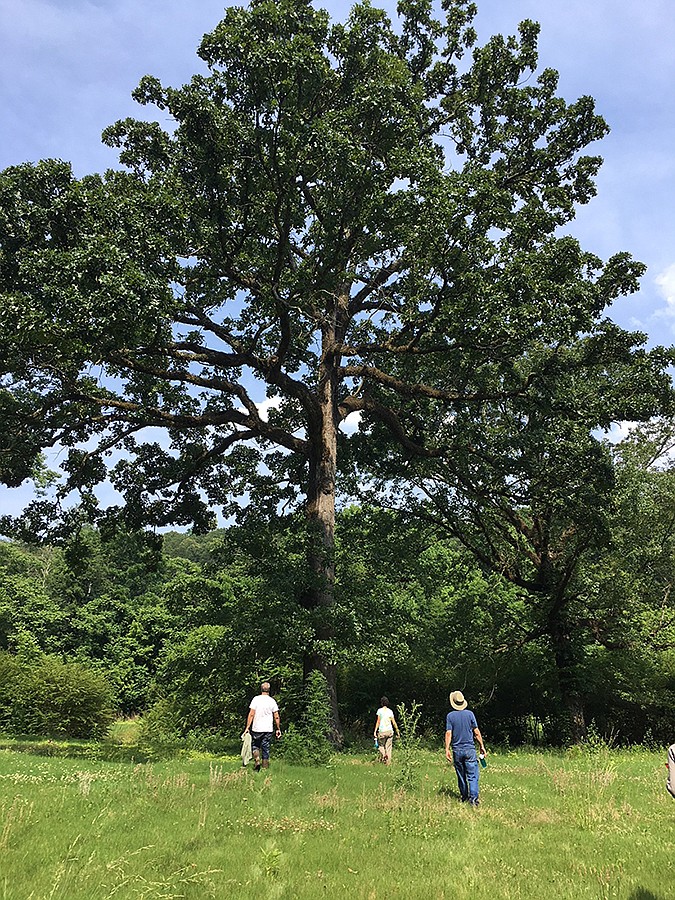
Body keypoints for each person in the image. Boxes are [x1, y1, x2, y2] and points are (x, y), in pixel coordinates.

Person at [445, 690, 487, 806]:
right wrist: (482, 746)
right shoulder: (470, 714)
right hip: (470, 750)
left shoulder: (450, 716)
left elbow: (449, 733)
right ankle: (473, 800)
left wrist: (447, 749)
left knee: (461, 775)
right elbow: (477, 732)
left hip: (457, 750)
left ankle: (464, 797)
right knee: (472, 775)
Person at [243, 682, 281, 771]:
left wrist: (247, 727)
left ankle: (257, 760)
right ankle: (265, 768)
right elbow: (276, 716)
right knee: (265, 747)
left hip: (256, 728)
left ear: (261, 689)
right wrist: (278, 728)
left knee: (255, 745)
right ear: (269, 690)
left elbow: (251, 714)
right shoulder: (272, 701)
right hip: (268, 729)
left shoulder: (256, 699)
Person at [374, 696, 400, 765]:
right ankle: (388, 763)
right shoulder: (390, 711)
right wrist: (397, 732)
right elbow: (394, 722)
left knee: (381, 746)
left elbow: (378, 721)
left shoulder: (379, 711)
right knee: (388, 747)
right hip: (390, 731)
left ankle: (384, 755)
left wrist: (375, 730)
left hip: (382, 731)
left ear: (381, 703)